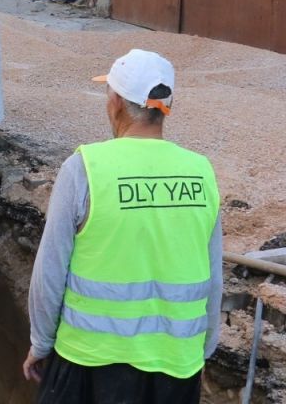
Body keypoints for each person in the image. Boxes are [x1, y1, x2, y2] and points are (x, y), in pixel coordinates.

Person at [22, 49, 223, 403]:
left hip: (89, 362)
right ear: (163, 109)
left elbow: (49, 271)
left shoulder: (85, 168)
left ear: (116, 102)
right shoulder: (201, 172)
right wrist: (203, 350)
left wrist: (41, 343)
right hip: (176, 368)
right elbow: (214, 278)